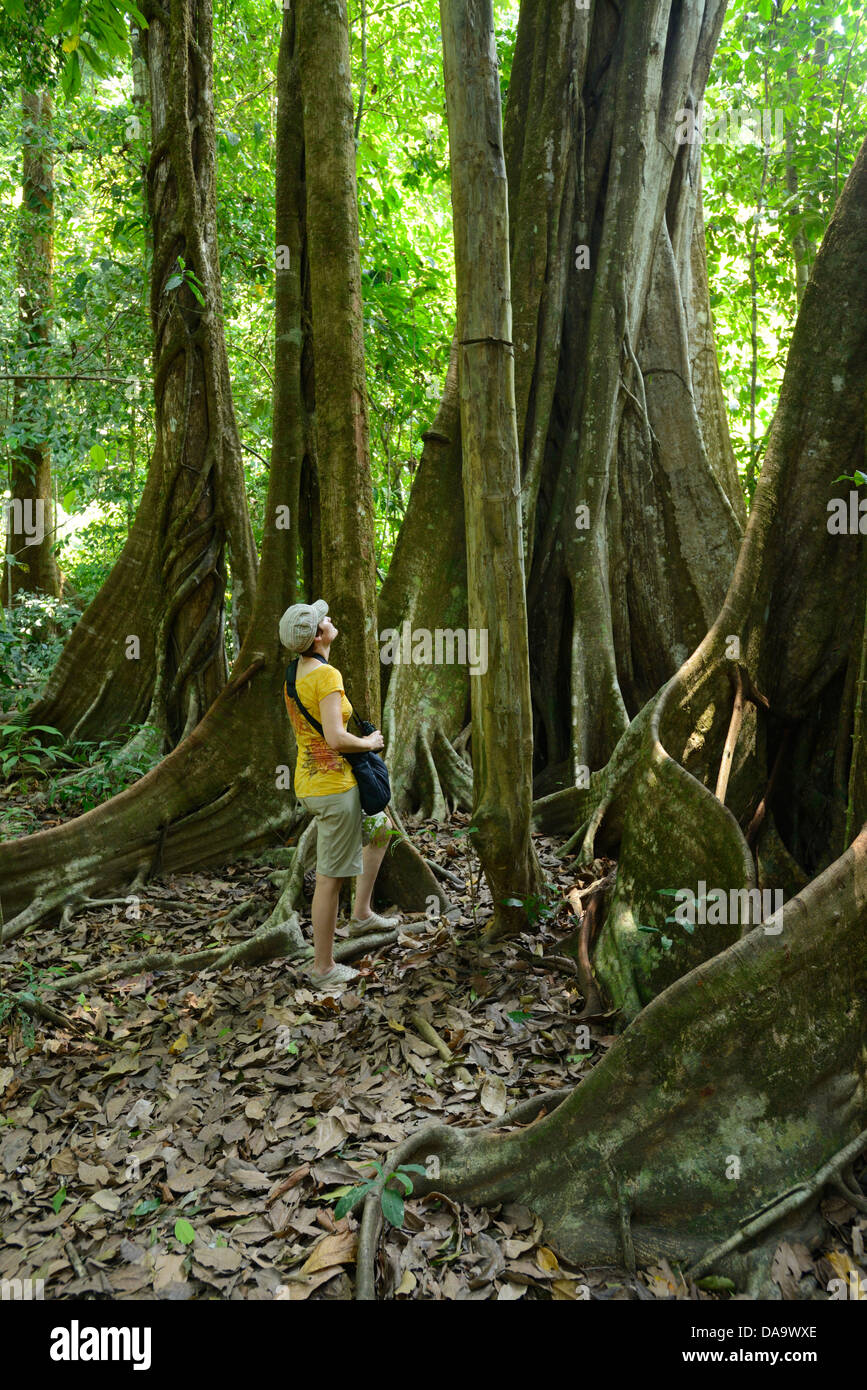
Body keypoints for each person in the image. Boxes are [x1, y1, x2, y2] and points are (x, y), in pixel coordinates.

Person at [279, 599, 399, 989]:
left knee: (381, 828)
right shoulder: (327, 676)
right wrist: (369, 742)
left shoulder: (293, 673)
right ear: (317, 636)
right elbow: (334, 738)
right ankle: (324, 967)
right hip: (335, 791)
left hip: (312, 782)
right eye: (323, 620)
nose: (330, 620)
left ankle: (361, 914)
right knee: (330, 878)